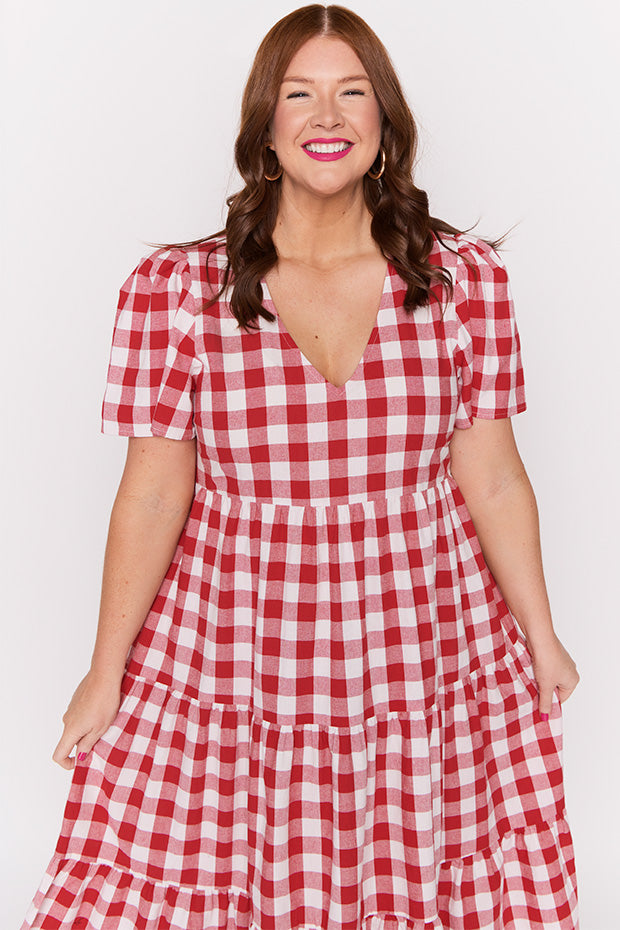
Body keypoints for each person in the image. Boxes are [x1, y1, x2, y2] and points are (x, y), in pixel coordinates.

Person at [20, 4, 581, 929]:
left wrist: (542, 634)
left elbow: (493, 477)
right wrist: (103, 669)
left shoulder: (460, 283)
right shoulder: (178, 293)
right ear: (267, 129)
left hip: (417, 640)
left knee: (416, 868)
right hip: (238, 644)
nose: (328, 116)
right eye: (300, 94)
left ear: (384, 123)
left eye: (352, 93)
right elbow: (153, 494)